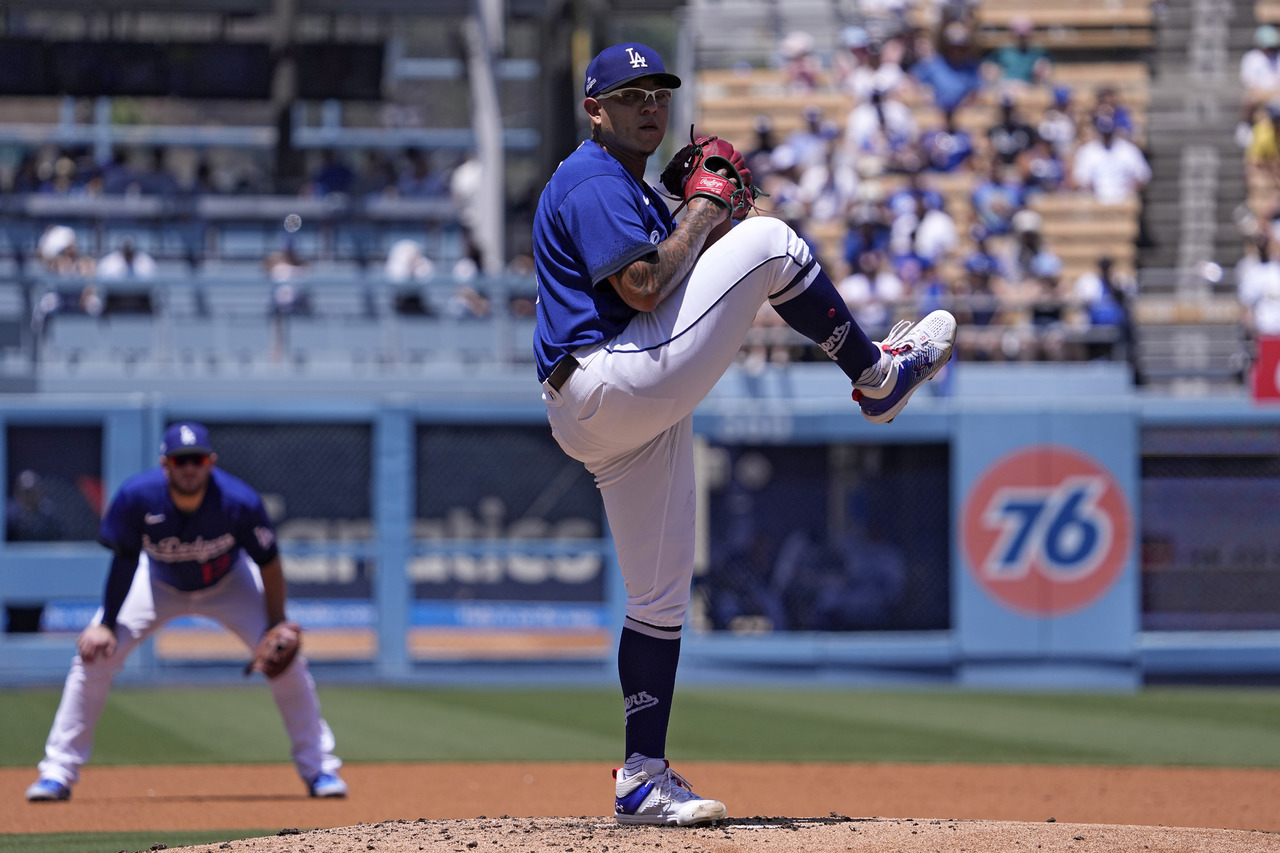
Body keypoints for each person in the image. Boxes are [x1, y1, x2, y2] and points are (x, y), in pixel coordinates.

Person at [531, 41, 956, 827]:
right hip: (606, 376)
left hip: (615, 402)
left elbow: (671, 275)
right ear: (596, 110)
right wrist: (707, 206)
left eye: (658, 91)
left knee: (659, 597)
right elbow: (645, 283)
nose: (650, 104)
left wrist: (694, 204)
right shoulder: (592, 176)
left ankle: (642, 776)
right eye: (630, 95)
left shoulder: (626, 185)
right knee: (776, 243)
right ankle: (878, 377)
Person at [24, 422, 347, 803]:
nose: (189, 468)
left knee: (289, 662)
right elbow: (125, 561)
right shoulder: (137, 496)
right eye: (181, 460)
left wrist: (276, 622)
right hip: (158, 583)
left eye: (196, 459)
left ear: (210, 462)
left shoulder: (238, 500)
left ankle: (320, 769)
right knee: (93, 657)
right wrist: (108, 624)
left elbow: (269, 563)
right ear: (165, 464)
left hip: (230, 583)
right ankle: (57, 772)